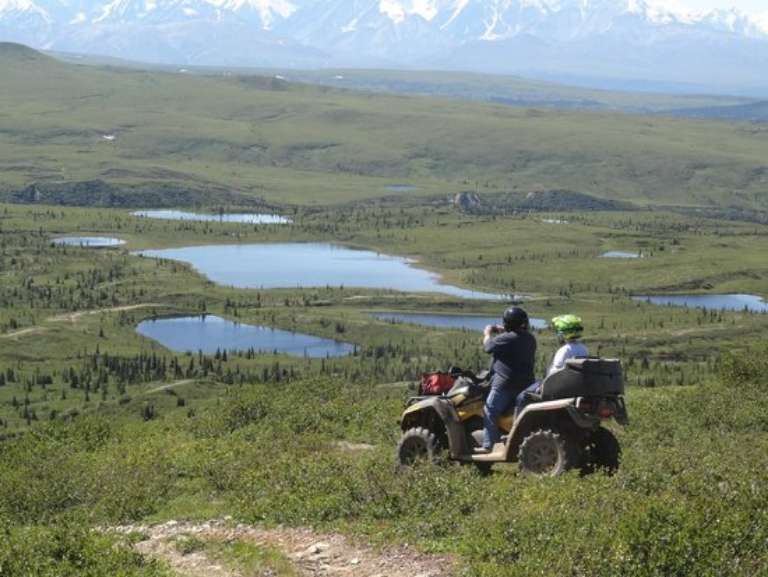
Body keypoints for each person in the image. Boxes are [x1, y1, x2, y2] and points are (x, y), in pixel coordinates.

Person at [479, 306, 537, 452]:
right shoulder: (530, 339)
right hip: (525, 385)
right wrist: (505, 331)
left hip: (505, 385)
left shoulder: (506, 338)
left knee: (490, 410)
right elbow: (516, 337)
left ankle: (489, 445)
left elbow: (488, 347)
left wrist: (487, 333)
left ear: (507, 323)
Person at [515, 314, 587, 413]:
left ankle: (519, 426)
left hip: (557, 388)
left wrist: (542, 386)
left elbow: (554, 373)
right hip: (573, 386)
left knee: (522, 396)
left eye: (559, 332)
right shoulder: (584, 348)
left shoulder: (564, 350)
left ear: (563, 334)